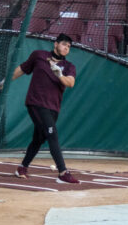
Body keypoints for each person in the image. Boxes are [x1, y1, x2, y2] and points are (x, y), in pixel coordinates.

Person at [10, 33, 79, 185]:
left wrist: (59, 75)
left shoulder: (69, 66)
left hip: (53, 107)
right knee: (52, 134)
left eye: (68, 47)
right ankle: (63, 172)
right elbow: (22, 69)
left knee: (39, 138)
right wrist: (6, 80)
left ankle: (22, 167)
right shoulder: (39, 55)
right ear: (56, 44)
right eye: (63, 44)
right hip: (36, 102)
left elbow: (71, 83)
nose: (66, 48)